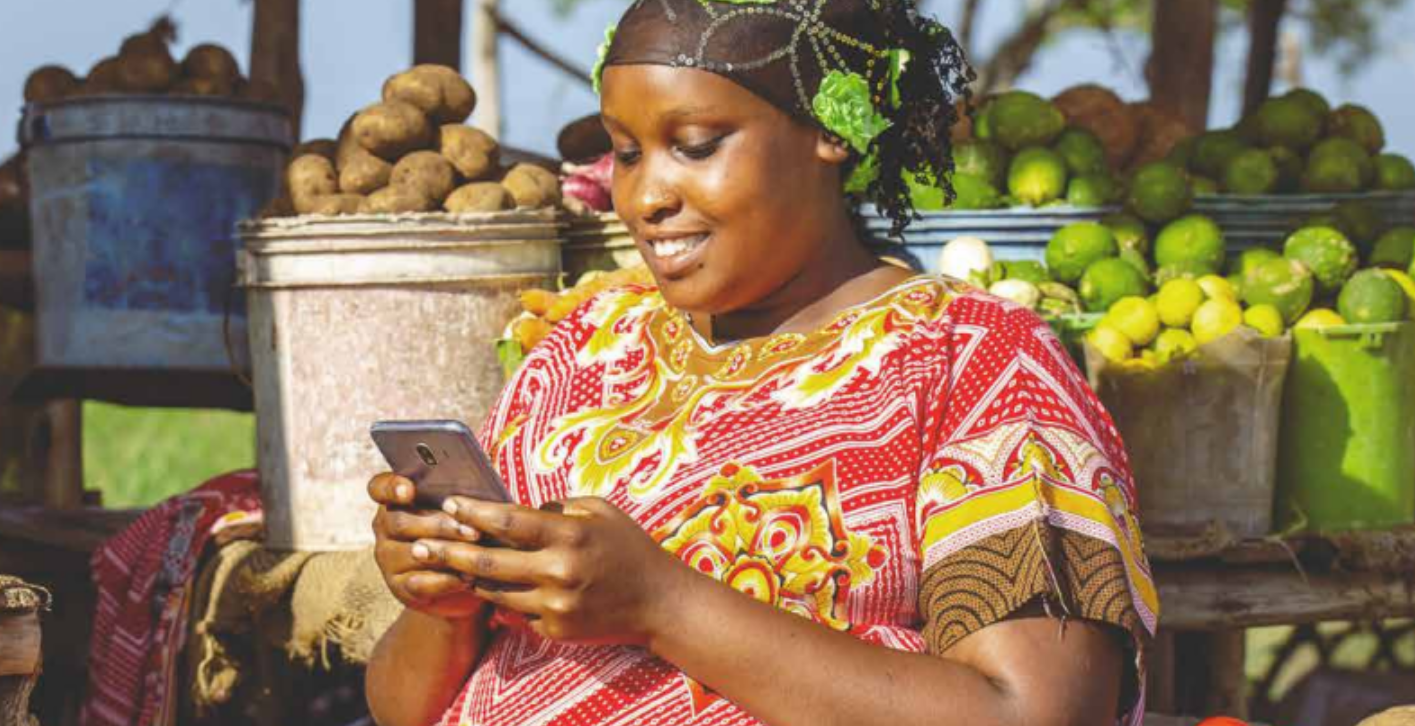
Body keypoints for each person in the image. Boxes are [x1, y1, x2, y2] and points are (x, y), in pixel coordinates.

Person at [363, 1, 1159, 725]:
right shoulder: (584, 346)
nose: (646, 198)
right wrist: (444, 607)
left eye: (697, 146)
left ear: (831, 131)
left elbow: (1034, 713)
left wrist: (664, 605)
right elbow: (408, 709)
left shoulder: (976, 361)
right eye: (628, 153)